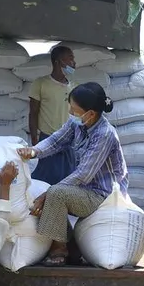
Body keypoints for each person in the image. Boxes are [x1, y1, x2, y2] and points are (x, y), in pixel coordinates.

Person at [17, 82, 127, 267]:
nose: (70, 112)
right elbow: (56, 140)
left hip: (103, 195)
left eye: (74, 109)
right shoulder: (78, 124)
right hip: (84, 190)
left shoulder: (104, 135)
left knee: (55, 193)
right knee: (46, 193)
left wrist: (48, 194)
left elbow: (84, 174)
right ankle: (73, 246)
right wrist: (34, 151)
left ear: (90, 114)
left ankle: (59, 249)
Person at [28, 45, 77, 185]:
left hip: (68, 140)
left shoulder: (72, 86)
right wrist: (34, 140)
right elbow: (33, 113)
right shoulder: (41, 83)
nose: (74, 63)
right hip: (48, 139)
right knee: (46, 180)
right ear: (58, 61)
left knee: (67, 180)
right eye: (70, 58)